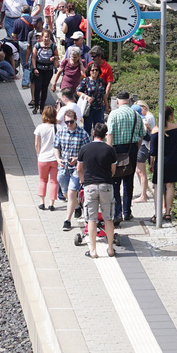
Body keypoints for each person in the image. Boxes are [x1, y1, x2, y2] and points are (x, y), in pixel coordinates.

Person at [77, 122, 117, 257]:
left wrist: (83, 180)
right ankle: (110, 249)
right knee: (108, 218)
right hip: (106, 185)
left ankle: (93, 251)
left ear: (93, 133)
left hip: (90, 186)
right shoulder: (110, 150)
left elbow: (79, 169)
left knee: (92, 219)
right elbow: (113, 170)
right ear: (105, 135)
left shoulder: (84, 149)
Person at [106, 91, 143, 223]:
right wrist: (136, 148)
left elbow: (109, 134)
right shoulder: (136, 115)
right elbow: (142, 134)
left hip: (115, 150)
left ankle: (117, 213)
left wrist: (108, 153)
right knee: (129, 181)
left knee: (115, 182)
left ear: (117, 102)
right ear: (129, 101)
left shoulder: (114, 114)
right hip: (131, 150)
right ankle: (127, 212)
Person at [53, 107, 89, 231]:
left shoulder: (83, 134)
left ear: (76, 120)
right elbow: (56, 147)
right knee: (65, 193)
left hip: (76, 168)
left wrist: (77, 158)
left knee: (72, 191)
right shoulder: (61, 132)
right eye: (67, 122)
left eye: (71, 122)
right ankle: (77, 205)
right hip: (63, 167)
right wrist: (58, 159)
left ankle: (67, 220)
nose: (69, 124)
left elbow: (86, 152)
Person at [160, 104, 177, 223]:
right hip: (174, 159)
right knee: (170, 186)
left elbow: (153, 148)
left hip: (161, 160)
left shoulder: (158, 128)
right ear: (170, 116)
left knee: (160, 186)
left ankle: (162, 208)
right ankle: (168, 213)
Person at [29, 27, 56, 114]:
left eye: (48, 37)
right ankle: (36, 105)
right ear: (42, 37)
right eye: (45, 37)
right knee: (37, 88)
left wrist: (54, 58)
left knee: (44, 88)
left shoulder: (53, 46)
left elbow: (57, 56)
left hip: (48, 70)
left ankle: (42, 107)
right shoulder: (37, 46)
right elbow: (33, 57)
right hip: (39, 69)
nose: (46, 39)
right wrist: (34, 68)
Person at [77, 53, 108, 128]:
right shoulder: (86, 80)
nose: (95, 72)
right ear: (89, 71)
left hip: (99, 108)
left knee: (98, 128)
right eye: (93, 70)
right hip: (88, 108)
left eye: (96, 70)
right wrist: (87, 97)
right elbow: (78, 92)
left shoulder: (101, 81)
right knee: (87, 127)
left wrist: (107, 105)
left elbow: (104, 94)